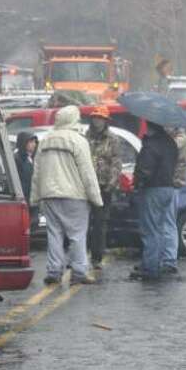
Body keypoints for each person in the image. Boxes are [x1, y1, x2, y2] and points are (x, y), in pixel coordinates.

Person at [29, 105, 102, 285]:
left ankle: (54, 271)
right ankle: (78, 272)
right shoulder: (78, 141)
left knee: (54, 234)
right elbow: (87, 173)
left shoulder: (45, 140)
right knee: (77, 235)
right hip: (74, 195)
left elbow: (36, 172)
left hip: (49, 194)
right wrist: (96, 198)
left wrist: (35, 197)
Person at [130, 121, 179, 281]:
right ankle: (157, 262)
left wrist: (138, 183)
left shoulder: (151, 145)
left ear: (150, 127)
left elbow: (145, 170)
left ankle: (150, 267)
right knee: (161, 227)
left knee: (150, 230)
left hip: (153, 189)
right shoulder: (170, 142)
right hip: (168, 188)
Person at [85, 106, 122, 270]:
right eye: (95, 118)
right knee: (82, 222)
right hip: (86, 185)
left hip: (103, 186)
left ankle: (97, 257)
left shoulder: (113, 139)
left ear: (106, 121)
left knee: (100, 223)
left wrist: (111, 184)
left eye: (100, 118)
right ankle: (79, 256)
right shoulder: (85, 137)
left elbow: (116, 163)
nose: (97, 121)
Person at [163, 127, 186, 274]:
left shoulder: (181, 138)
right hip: (167, 184)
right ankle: (165, 257)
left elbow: (171, 147)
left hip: (173, 184)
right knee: (165, 223)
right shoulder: (176, 136)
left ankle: (169, 259)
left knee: (169, 223)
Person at [15, 131, 37, 204]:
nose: (34, 144)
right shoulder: (17, 159)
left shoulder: (33, 158)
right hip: (24, 200)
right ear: (23, 143)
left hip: (34, 199)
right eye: (31, 142)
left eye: (34, 142)